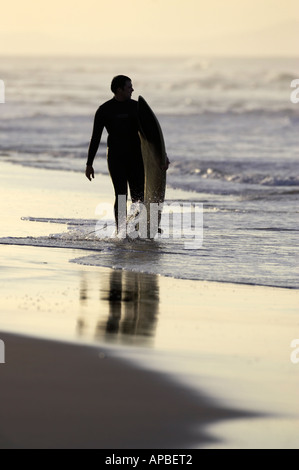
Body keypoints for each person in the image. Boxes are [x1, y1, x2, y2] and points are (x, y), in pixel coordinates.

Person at [85, 75, 169, 233]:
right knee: (121, 195)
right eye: (129, 87)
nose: (132, 89)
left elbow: (152, 135)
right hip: (116, 158)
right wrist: (89, 164)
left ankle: (140, 226)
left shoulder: (136, 108)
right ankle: (121, 231)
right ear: (119, 89)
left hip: (136, 158)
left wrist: (162, 156)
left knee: (139, 197)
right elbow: (95, 138)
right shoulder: (104, 110)